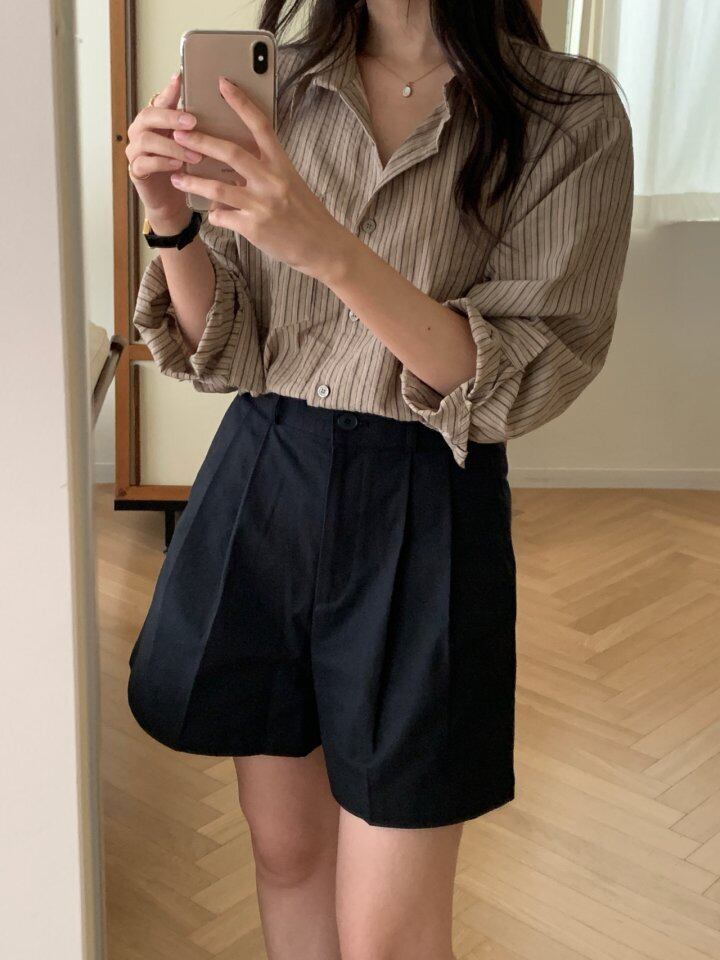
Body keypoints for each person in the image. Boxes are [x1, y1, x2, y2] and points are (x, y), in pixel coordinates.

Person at [124, 1, 633, 958]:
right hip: (265, 479)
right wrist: (168, 219)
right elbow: (222, 347)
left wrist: (330, 251)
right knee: (286, 858)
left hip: (426, 498)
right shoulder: (280, 83)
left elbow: (514, 378)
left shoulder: (566, 110)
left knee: (389, 930)